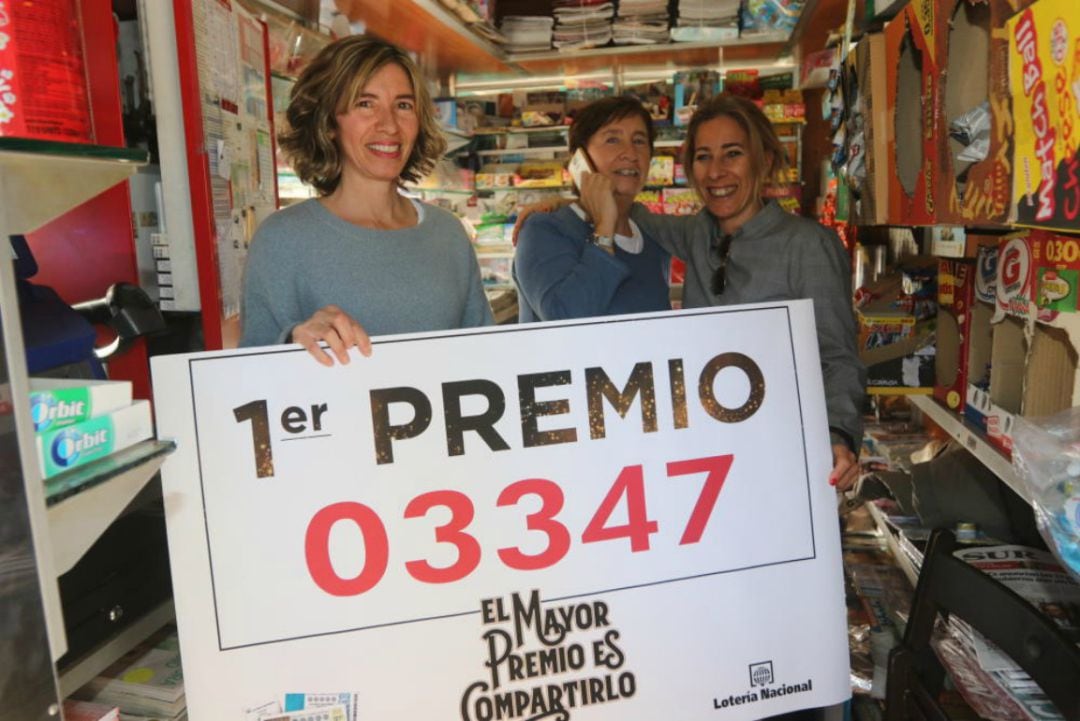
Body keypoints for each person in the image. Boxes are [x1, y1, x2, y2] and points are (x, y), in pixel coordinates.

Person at [573, 94, 866, 491]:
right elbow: (625, 210)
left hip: (784, 455)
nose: (716, 172)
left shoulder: (807, 245)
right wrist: (560, 204)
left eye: (732, 154)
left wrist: (838, 435)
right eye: (703, 157)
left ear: (763, 160)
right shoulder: (697, 233)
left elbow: (837, 357)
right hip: (709, 457)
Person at [240, 36, 492, 364]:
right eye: (365, 104)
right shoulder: (282, 239)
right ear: (329, 121)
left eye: (403, 105)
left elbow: (487, 356)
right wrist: (293, 340)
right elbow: (250, 373)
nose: (389, 125)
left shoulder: (448, 234)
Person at [513, 96, 671, 321]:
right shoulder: (544, 230)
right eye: (612, 140)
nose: (630, 153)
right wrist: (604, 230)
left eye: (639, 141)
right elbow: (564, 318)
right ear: (580, 158)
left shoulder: (651, 237)